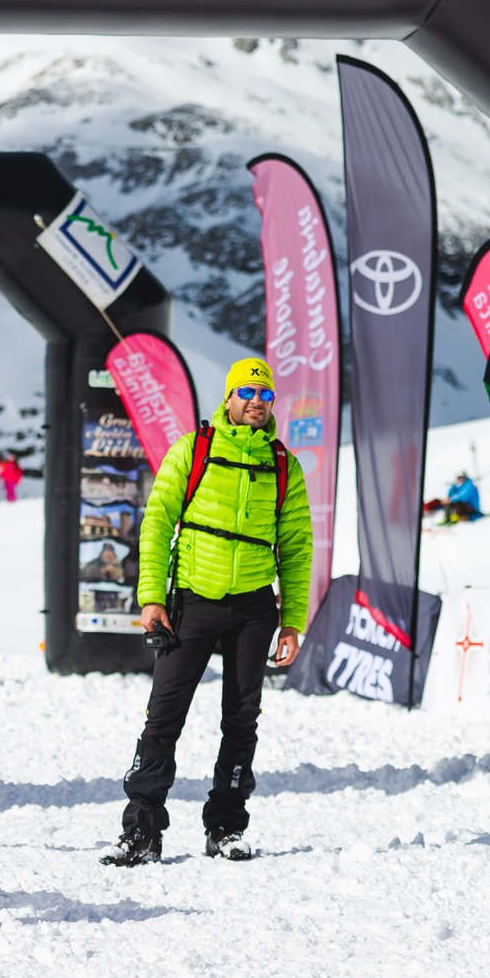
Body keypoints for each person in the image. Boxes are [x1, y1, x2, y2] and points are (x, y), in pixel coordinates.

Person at [102, 357, 311, 866]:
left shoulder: (283, 464)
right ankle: (142, 833)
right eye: (247, 393)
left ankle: (226, 828)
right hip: (192, 602)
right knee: (163, 718)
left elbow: (298, 547)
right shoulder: (194, 450)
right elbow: (156, 522)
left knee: (241, 721)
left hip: (254, 608)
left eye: (266, 396)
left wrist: (293, 620)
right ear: (229, 397)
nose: (258, 403)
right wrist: (152, 597)